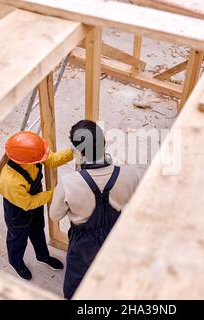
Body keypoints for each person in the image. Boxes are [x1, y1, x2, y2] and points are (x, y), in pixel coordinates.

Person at [50, 120, 140, 299]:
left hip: (84, 242)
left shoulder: (69, 183)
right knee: (110, 271)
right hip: (115, 233)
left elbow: (55, 215)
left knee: (77, 279)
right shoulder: (129, 173)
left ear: (78, 150)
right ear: (104, 141)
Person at [0, 131, 73, 280]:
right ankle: (16, 262)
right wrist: (54, 193)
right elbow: (28, 203)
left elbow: (52, 160)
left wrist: (72, 151)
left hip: (35, 200)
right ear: (26, 161)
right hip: (18, 210)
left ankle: (43, 256)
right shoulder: (10, 180)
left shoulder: (33, 154)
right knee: (18, 237)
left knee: (37, 229)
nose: (42, 158)